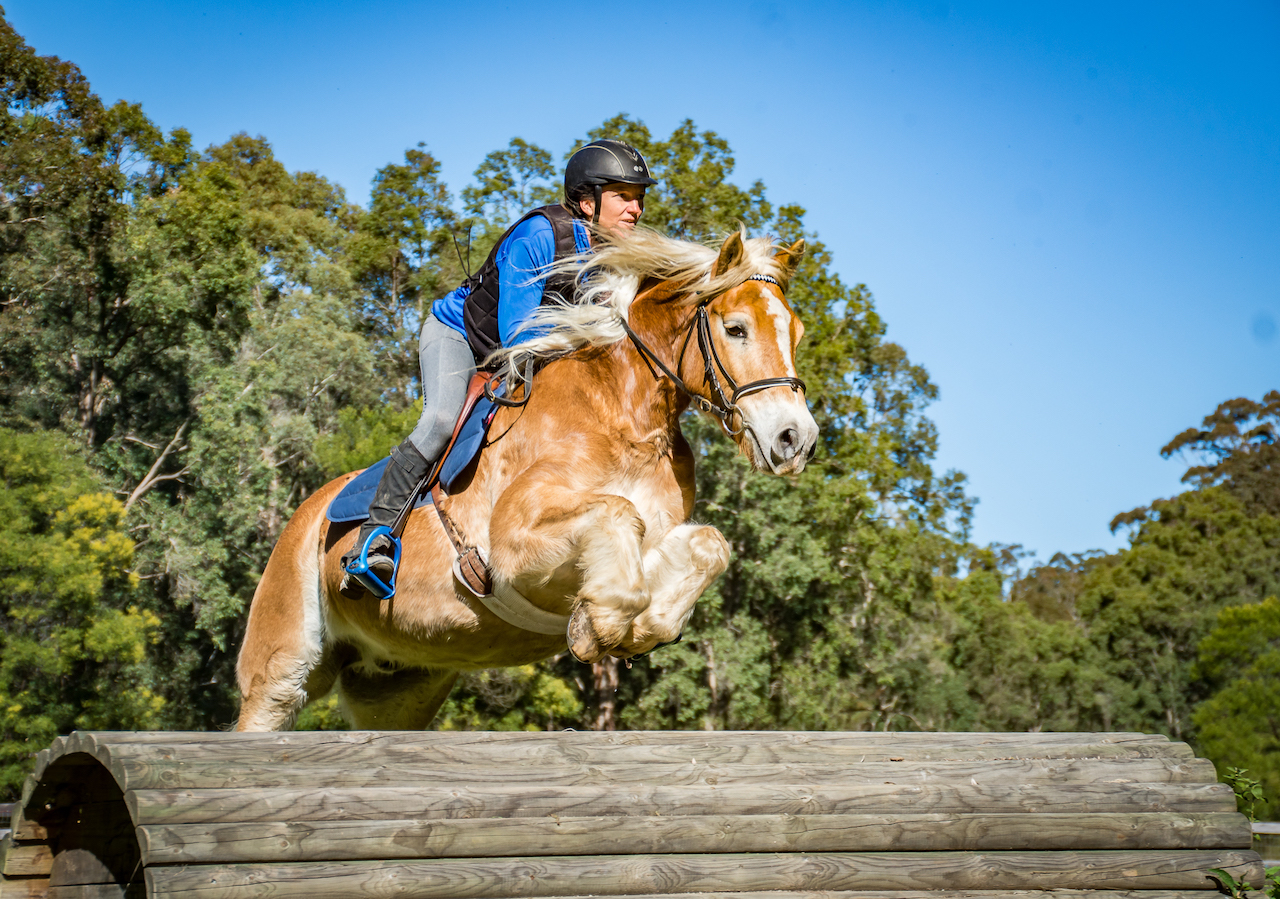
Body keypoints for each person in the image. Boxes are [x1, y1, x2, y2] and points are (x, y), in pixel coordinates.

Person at [341, 139, 658, 597]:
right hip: (462, 339)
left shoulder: (615, 257)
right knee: (439, 422)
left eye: (640, 198)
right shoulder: (541, 235)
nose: (636, 208)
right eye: (624, 196)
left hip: (524, 356)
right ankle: (375, 537)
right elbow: (518, 337)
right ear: (587, 200)